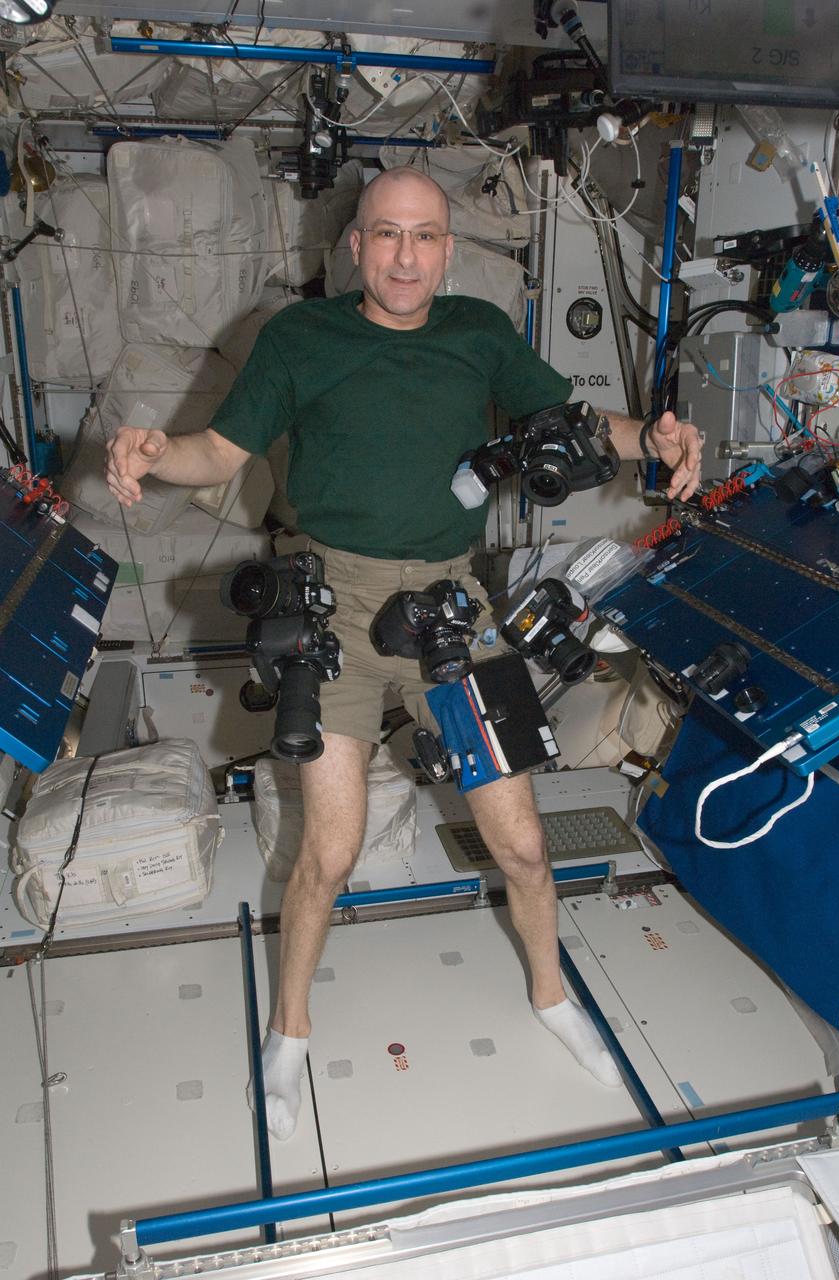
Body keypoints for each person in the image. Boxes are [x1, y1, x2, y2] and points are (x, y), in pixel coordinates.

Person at [106, 167, 702, 1142]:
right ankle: (290, 1031)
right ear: (352, 246)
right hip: (330, 601)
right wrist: (149, 450)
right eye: (386, 234)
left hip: (451, 607)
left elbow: (583, 428)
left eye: (425, 236)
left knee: (520, 841)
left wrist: (659, 441)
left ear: (446, 248)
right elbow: (217, 450)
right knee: (328, 850)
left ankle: (552, 995)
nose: (405, 256)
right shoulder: (300, 339)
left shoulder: (479, 335)